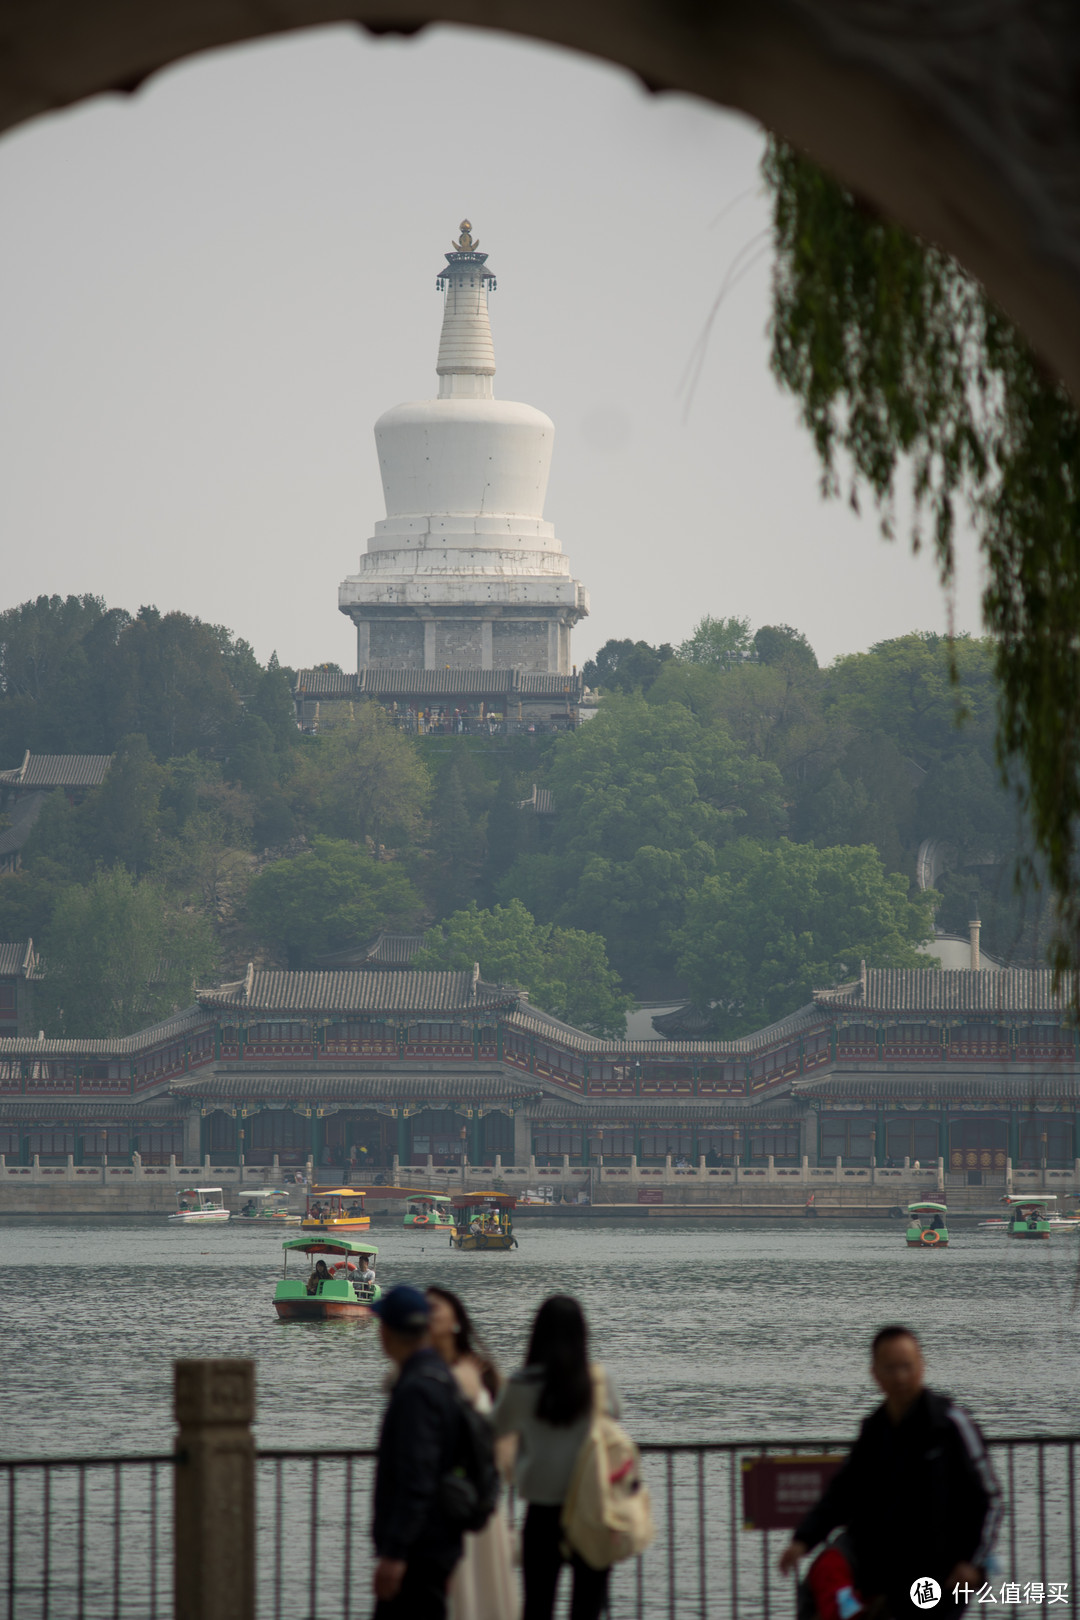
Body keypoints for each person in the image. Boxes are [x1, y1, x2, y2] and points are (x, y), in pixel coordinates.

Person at [777, 1325, 1002, 1617]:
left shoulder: (951, 1425)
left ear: (922, 1367)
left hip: (942, 1575)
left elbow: (990, 1500)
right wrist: (803, 1540)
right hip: (884, 1573)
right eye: (891, 1368)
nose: (900, 1377)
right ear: (875, 1374)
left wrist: (971, 1561)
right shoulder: (873, 1430)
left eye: (907, 1367)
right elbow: (842, 1493)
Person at [493, 1295, 615, 1620]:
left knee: (537, 1605)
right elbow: (613, 1424)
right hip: (592, 1508)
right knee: (587, 1607)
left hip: (542, 1510)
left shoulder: (521, 1385)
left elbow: (496, 1427)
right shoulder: (597, 1381)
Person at [371, 1285, 468, 1620]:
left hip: (418, 1550)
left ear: (388, 1331)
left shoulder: (415, 1390)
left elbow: (418, 1477)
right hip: (438, 1545)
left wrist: (395, 1554)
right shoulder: (440, 1377)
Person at [427, 1287, 518, 1620]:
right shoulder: (420, 1373)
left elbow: (508, 1445)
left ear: (456, 1321)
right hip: (439, 1506)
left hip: (476, 1502)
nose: (427, 1313)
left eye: (435, 1308)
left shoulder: (483, 1372)